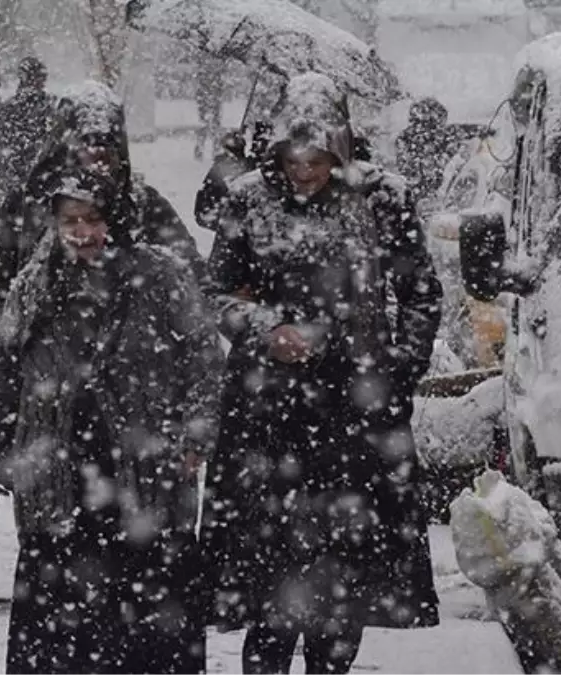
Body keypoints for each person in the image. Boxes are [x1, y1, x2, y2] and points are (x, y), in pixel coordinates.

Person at [201, 72, 444, 675]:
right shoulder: (249, 198)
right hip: (266, 414)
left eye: (316, 158)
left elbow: (420, 294)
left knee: (345, 579)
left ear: (339, 146)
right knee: (269, 577)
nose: (303, 171)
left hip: (355, 416)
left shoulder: (382, 197)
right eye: (292, 157)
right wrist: (264, 327)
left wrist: (394, 371)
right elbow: (217, 294)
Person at [0, 168, 223, 674]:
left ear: (118, 218)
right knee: (61, 629)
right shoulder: (34, 283)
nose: (82, 232)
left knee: (149, 622)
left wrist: (196, 429)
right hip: (57, 473)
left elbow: (204, 356)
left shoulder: (161, 275)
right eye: (70, 220)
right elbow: (3, 373)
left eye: (93, 218)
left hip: (145, 473)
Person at [0, 82, 206, 534]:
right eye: (86, 146)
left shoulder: (147, 209)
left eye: (107, 148)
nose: (97, 158)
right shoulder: (27, 209)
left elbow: (195, 303)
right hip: (51, 422)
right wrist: (32, 354)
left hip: (137, 424)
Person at [0, 56, 57, 209]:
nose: (40, 82)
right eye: (38, 77)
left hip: (23, 183)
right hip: (39, 184)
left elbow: (0, 152)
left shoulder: (5, 109)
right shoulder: (51, 106)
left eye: (41, 77)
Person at [394, 97, 456, 205]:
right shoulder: (405, 138)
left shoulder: (444, 135)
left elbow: (462, 131)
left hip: (429, 190)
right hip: (417, 191)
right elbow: (405, 168)